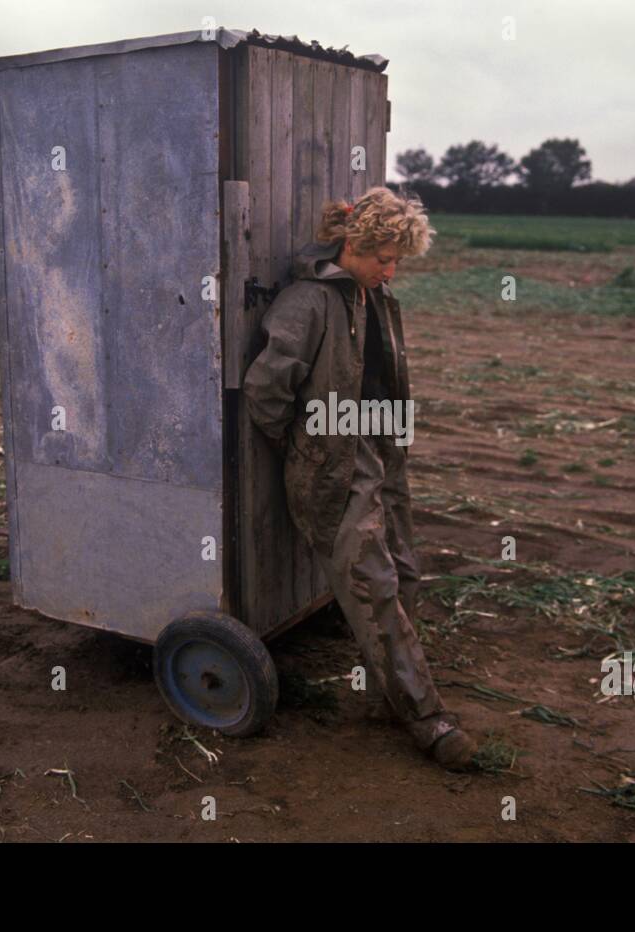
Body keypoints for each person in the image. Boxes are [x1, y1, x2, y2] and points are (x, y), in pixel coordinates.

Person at [242, 186, 478, 771]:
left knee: (404, 570)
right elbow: (265, 389)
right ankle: (426, 718)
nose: (391, 269)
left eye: (398, 260)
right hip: (333, 460)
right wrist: (303, 445)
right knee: (371, 583)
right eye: (384, 258)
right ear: (354, 245)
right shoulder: (307, 302)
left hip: (380, 448)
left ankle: (390, 689)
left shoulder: (377, 297)